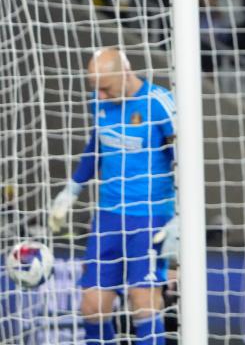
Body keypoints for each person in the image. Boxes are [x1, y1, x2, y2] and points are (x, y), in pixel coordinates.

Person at [48, 48, 177, 345]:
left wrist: (179, 216)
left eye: (105, 87)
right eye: (96, 89)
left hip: (150, 216)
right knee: (92, 307)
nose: (100, 96)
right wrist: (72, 189)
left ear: (125, 73)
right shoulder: (100, 101)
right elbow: (97, 146)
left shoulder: (159, 104)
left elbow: (183, 160)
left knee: (142, 301)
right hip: (107, 215)